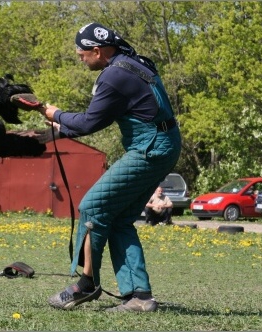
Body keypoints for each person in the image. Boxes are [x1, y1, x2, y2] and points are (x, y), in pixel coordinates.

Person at [34, 22, 182, 312]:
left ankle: (86, 284)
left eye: (81, 53)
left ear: (97, 51)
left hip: (149, 147)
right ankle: (140, 297)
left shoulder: (113, 75)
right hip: (162, 143)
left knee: (93, 206)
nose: (79, 58)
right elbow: (103, 117)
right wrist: (60, 128)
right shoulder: (132, 64)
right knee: (118, 218)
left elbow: (90, 122)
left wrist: (55, 113)